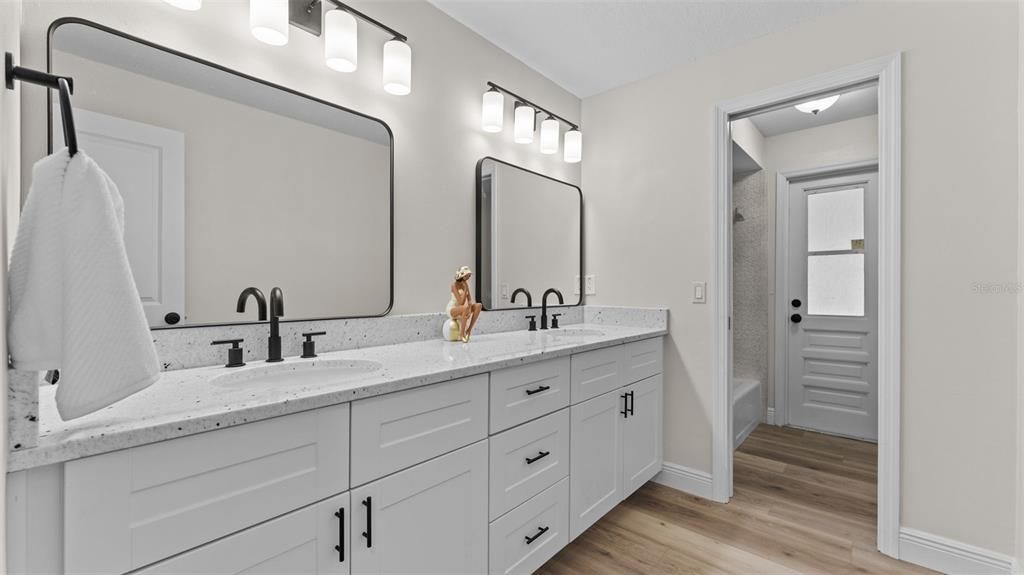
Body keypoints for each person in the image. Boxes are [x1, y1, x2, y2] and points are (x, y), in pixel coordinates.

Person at [446, 266, 482, 343]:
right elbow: (460, 302)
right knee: (464, 308)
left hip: (463, 307)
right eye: (467, 276)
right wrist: (465, 289)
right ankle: (462, 334)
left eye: (469, 276)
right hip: (453, 308)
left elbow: (469, 299)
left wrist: (469, 306)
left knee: (478, 305)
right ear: (461, 275)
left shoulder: (465, 283)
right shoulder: (454, 285)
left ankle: (469, 330)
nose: (468, 278)